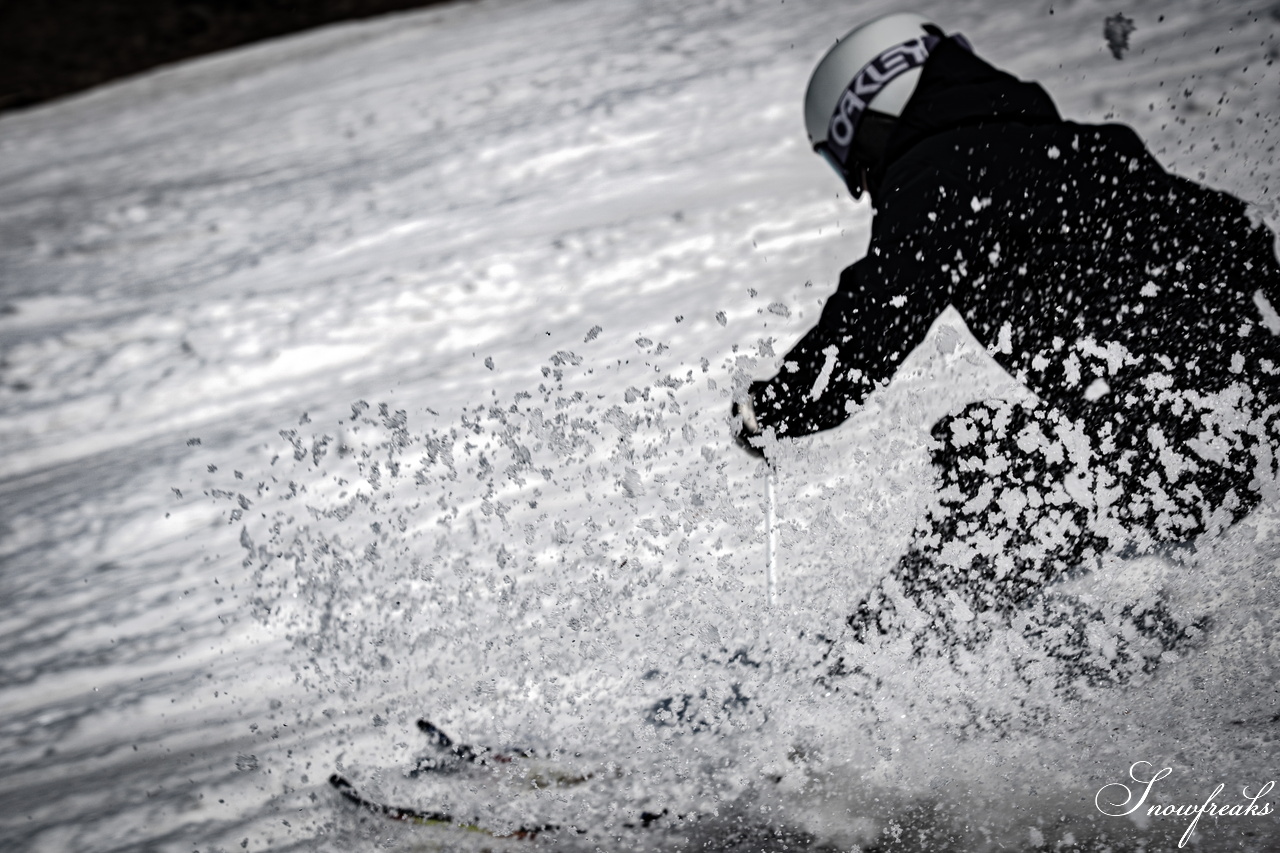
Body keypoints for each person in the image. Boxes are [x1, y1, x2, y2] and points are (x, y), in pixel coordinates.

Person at [735, 13, 1280, 686]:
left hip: (1177, 438)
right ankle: (1122, 635)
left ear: (864, 115)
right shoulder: (1085, 149)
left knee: (981, 460)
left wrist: (777, 406)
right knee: (996, 450)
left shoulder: (944, 168)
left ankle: (864, 679)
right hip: (1247, 428)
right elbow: (1239, 239)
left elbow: (875, 318)